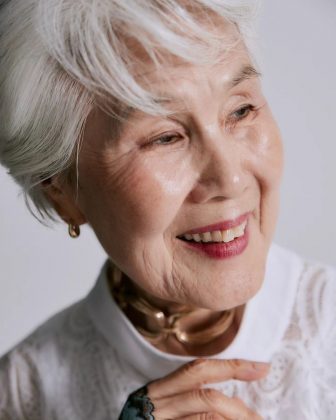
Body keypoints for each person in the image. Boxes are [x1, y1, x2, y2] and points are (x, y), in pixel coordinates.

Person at [0, 0, 335, 419]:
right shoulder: (19, 393)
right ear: (62, 192)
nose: (230, 179)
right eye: (164, 137)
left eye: (241, 110)